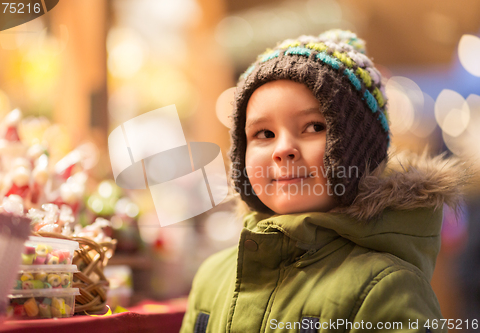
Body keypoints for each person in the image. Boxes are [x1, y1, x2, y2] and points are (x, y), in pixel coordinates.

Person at [180, 30, 469, 333]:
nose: (283, 150)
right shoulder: (212, 278)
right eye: (264, 134)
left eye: (313, 126)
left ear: (360, 149)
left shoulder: (386, 288)